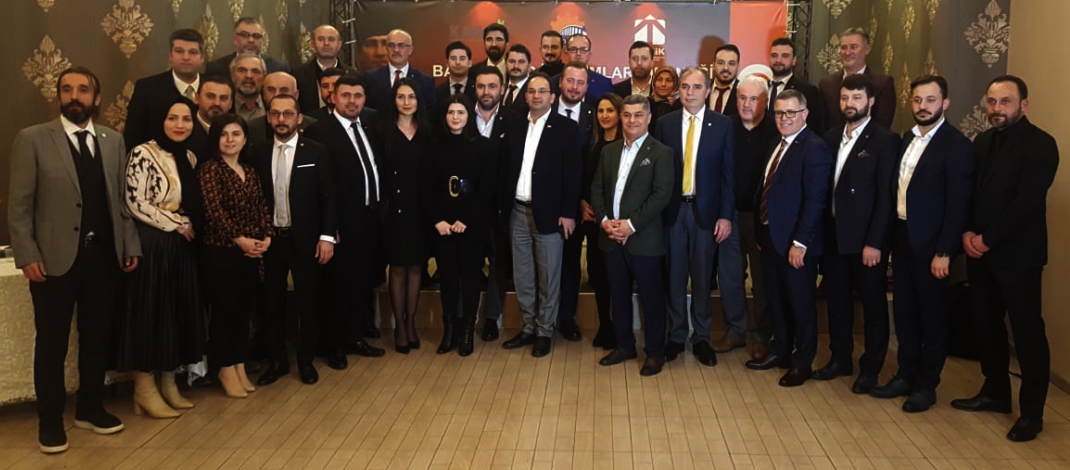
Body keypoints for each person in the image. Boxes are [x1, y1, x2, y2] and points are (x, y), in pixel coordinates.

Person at [8, 66, 141, 454]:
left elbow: (121, 202)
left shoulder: (113, 140)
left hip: (104, 259)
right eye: (67, 89)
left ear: (96, 99)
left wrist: (130, 246)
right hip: (52, 262)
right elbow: (19, 206)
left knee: (97, 338)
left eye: (83, 90)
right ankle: (50, 422)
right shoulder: (33, 138)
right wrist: (26, 254)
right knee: (52, 344)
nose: (74, 96)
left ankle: (90, 408)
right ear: (59, 96)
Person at [954, 76, 1059, 442]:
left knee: (1027, 333)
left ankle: (1032, 413)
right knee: (987, 326)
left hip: (1019, 257)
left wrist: (986, 239)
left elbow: (1027, 203)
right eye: (992, 101)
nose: (996, 108)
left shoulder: (1041, 144)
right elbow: (970, 193)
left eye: (1005, 101)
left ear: (1023, 105)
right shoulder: (982, 141)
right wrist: (967, 232)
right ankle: (996, 391)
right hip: (979, 252)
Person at [868, 75, 972, 411]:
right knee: (905, 313)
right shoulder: (906, 139)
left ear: (945, 103)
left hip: (933, 246)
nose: (923, 106)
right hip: (902, 236)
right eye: (917, 100)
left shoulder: (956, 145)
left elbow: (958, 205)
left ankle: (927, 385)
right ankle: (905, 375)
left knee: (932, 318)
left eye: (930, 100)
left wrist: (945, 251)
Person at [813, 74, 899, 393]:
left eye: (857, 97)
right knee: (837, 302)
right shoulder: (830, 137)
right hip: (834, 235)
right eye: (845, 98)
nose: (850, 103)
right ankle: (840, 358)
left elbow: (886, 196)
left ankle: (871, 368)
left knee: (873, 306)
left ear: (871, 101)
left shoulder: (885, 140)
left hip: (866, 241)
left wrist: (875, 242)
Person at [119, 99, 205, 417]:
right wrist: (177, 224)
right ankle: (144, 389)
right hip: (152, 243)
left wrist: (186, 224)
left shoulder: (189, 156)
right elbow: (134, 202)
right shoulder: (142, 153)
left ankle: (169, 382)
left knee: (175, 314)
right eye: (172, 118)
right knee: (150, 314)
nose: (180, 125)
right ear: (160, 120)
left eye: (186, 119)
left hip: (180, 246)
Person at [743, 89, 833, 388]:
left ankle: (802, 361)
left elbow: (815, 201)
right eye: (779, 113)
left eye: (790, 113)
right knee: (777, 299)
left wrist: (800, 243)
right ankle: (780, 350)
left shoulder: (814, 148)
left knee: (801, 303)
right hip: (771, 237)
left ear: (804, 114)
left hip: (797, 243)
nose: (783, 118)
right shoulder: (775, 143)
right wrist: (761, 231)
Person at [253, 94, 342, 386]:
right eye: (276, 114)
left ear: (299, 118)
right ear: (269, 117)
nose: (282, 119)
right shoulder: (258, 153)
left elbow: (329, 197)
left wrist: (327, 236)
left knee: (309, 302)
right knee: (271, 304)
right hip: (270, 242)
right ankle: (277, 361)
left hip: (306, 240)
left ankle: (306, 360)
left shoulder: (316, 151)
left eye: (288, 114)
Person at [654, 67, 735, 366]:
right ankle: (676, 336)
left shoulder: (723, 125)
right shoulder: (665, 124)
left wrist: (725, 216)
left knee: (702, 279)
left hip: (706, 213)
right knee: (674, 277)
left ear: (708, 90)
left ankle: (701, 337)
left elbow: (728, 175)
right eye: (685, 86)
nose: (690, 92)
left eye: (697, 87)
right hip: (673, 212)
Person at [302, 74, 387, 359]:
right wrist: (328, 229)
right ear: (333, 98)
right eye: (346, 95)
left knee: (360, 284)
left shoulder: (369, 125)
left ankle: (354, 337)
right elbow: (317, 187)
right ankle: (334, 345)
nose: (352, 101)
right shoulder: (319, 132)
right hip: (339, 225)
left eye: (357, 96)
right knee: (337, 287)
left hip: (369, 219)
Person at [499, 72, 582, 357]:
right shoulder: (514, 126)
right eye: (532, 91)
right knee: (523, 276)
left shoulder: (566, 128)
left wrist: (568, 213)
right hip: (517, 211)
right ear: (526, 96)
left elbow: (573, 174)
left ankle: (545, 331)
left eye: (542, 91)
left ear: (553, 96)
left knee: (548, 277)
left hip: (550, 214)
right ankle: (528, 328)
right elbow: (506, 168)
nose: (536, 96)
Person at [591, 94, 674, 377]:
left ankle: (655, 352)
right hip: (611, 237)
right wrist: (605, 222)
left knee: (652, 298)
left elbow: (661, 195)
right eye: (627, 115)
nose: (632, 120)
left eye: (638, 115)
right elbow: (597, 189)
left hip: (644, 239)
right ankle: (624, 345)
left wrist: (630, 225)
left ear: (649, 117)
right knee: (618, 295)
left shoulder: (662, 153)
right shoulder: (609, 151)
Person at [197, 114, 272, 397]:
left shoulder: (249, 171)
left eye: (236, 134)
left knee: (243, 311)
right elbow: (214, 212)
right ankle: (224, 366)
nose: (230, 140)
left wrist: (266, 237)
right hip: (221, 252)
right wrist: (239, 239)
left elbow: (262, 207)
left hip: (251, 252)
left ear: (245, 138)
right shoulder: (210, 170)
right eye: (223, 134)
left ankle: (239, 363)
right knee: (224, 312)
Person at [425, 94, 498, 356]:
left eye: (461, 112)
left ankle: (467, 330)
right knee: (447, 278)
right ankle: (450, 331)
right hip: (442, 223)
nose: (455, 117)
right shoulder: (433, 146)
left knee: (470, 277)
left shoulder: (483, 146)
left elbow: (486, 189)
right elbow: (426, 188)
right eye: (451, 112)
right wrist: (437, 220)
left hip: (471, 223)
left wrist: (466, 220)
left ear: (469, 116)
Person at [379, 77, 434, 354]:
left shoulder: (427, 131)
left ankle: (411, 321)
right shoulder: (383, 130)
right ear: (394, 100)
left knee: (416, 267)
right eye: (401, 96)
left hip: (420, 209)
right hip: (394, 210)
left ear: (418, 100)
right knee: (398, 268)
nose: (406, 102)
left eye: (411, 96)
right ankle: (399, 325)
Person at [729, 77, 779, 360]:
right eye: (742, 98)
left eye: (754, 99)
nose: (747, 104)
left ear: (765, 101)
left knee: (762, 279)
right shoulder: (726, 127)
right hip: (730, 216)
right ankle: (735, 331)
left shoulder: (776, 129)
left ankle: (761, 334)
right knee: (731, 276)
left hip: (762, 218)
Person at [471, 65, 513, 341]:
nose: (486, 92)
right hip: (467, 208)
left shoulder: (513, 120)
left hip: (500, 208)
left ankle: (490, 318)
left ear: (502, 89)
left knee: (498, 264)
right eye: (481, 86)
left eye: (492, 86)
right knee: (470, 263)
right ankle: (465, 317)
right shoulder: (459, 115)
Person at [554, 61, 595, 342]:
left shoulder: (595, 113)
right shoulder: (544, 109)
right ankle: (541, 318)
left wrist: (581, 199)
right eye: (570, 81)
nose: (574, 87)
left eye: (580, 82)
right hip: (546, 201)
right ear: (560, 82)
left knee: (570, 263)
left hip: (580, 204)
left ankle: (567, 318)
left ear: (587, 86)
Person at [584, 92, 623, 349]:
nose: (604, 115)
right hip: (594, 221)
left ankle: (619, 327)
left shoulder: (626, 144)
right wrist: (582, 202)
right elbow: (585, 180)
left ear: (619, 113)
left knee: (616, 277)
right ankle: (604, 325)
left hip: (618, 223)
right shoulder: (592, 143)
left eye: (610, 110)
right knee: (598, 276)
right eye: (600, 111)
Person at [124, 29, 204, 148]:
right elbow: (133, 136)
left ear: (202, 57)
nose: (186, 57)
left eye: (192, 52)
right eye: (179, 51)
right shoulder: (147, 88)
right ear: (170, 56)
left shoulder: (215, 88)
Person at [818, 27, 896, 130]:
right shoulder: (826, 84)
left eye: (853, 47)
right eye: (844, 47)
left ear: (867, 49)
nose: (847, 52)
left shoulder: (882, 83)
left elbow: (882, 125)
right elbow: (821, 124)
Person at [365, 29, 435, 113]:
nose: (396, 50)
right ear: (387, 49)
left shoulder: (425, 81)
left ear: (410, 49)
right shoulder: (371, 78)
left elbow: (428, 113)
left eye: (401, 45)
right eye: (391, 45)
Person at [293, 25, 356, 114]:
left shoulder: (353, 75)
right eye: (321, 39)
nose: (326, 43)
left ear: (339, 45)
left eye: (331, 39)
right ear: (312, 44)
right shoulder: (298, 75)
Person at [768, 37, 824, 134]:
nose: (778, 60)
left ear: (794, 60)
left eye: (785, 56)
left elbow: (815, 128)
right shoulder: (761, 88)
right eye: (774, 55)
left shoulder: (808, 92)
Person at [246, 72, 318, 146]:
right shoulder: (251, 128)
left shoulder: (313, 126)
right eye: (271, 90)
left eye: (284, 90)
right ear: (263, 94)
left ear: (296, 95)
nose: (277, 94)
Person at [204, 17, 288, 78]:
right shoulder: (215, 69)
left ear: (262, 40)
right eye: (245, 35)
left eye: (256, 36)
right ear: (235, 38)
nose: (251, 40)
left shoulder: (278, 68)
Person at [187, 76, 234, 160]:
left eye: (223, 98)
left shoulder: (237, 132)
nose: (217, 103)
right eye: (210, 96)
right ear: (197, 98)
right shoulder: (186, 131)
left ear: (231, 103)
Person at [558, 34, 613, 103]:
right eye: (573, 49)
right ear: (566, 52)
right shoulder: (554, 82)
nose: (578, 53)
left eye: (583, 49)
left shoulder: (604, 83)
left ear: (589, 54)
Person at [434, 41, 477, 115]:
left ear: (470, 63)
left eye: (462, 58)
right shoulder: (437, 92)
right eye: (453, 58)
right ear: (447, 63)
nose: (457, 62)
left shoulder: (478, 90)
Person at [231, 53, 267, 122]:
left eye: (255, 71)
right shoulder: (223, 107)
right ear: (232, 76)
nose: (248, 76)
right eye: (242, 70)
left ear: (264, 78)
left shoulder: (271, 106)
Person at [709, 44, 740, 115]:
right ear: (714, 65)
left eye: (731, 64)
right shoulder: (702, 89)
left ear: (738, 67)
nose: (726, 68)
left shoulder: (744, 92)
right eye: (721, 63)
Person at [502, 44, 533, 112]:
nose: (516, 66)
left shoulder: (534, 91)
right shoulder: (500, 89)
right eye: (511, 61)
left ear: (529, 65)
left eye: (521, 62)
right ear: (506, 63)